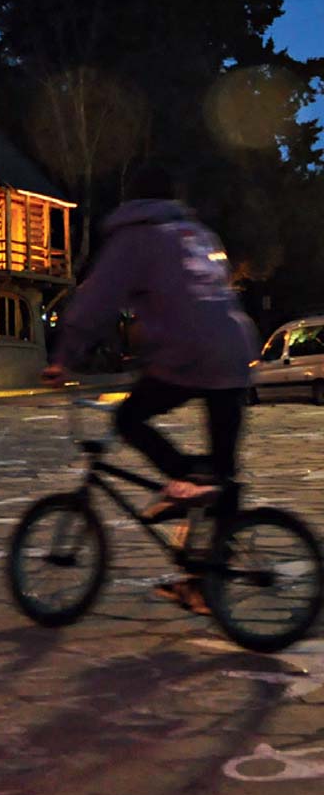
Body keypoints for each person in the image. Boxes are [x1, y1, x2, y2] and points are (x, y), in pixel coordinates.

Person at [42, 163, 257, 614]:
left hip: (188, 352)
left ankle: (183, 482)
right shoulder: (197, 233)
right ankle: (201, 581)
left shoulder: (135, 236)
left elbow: (96, 300)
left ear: (131, 202)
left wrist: (64, 355)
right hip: (236, 352)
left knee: (129, 418)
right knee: (222, 476)